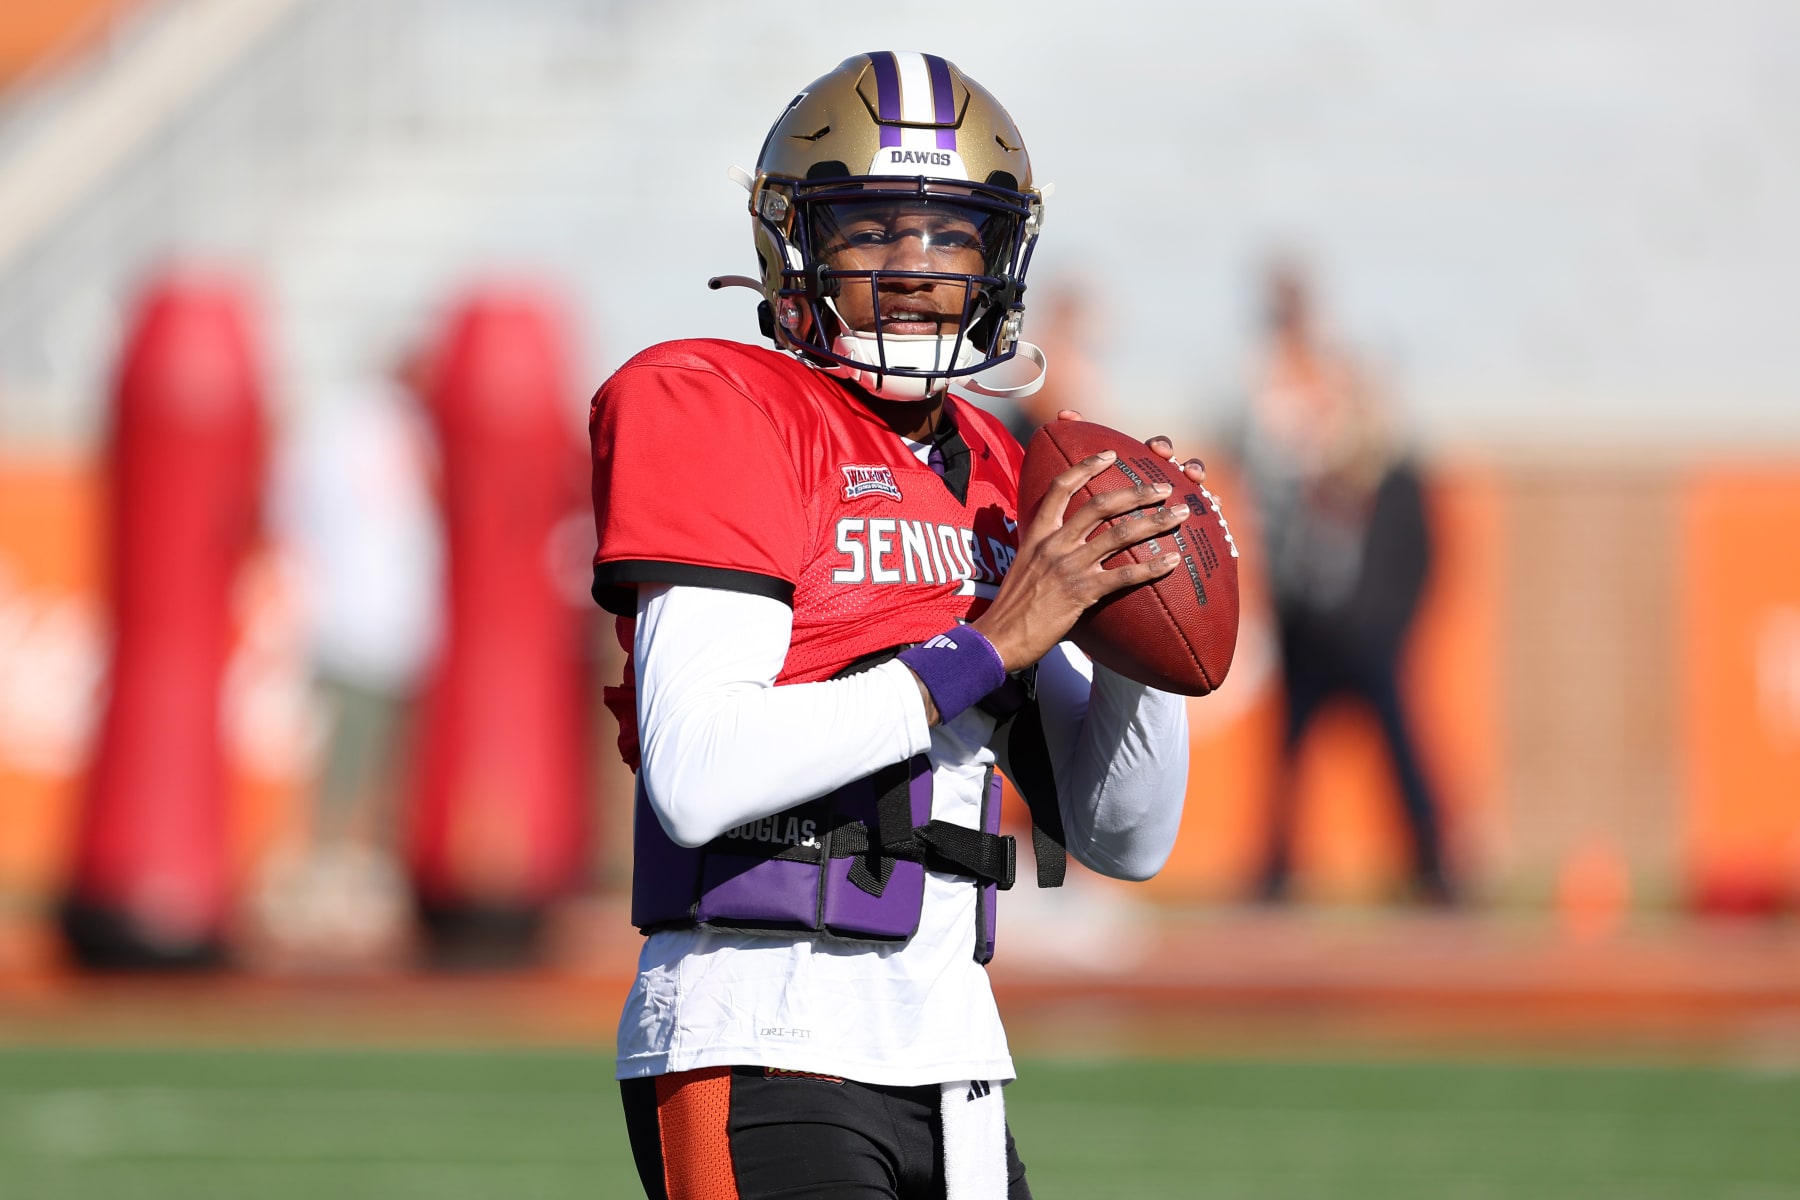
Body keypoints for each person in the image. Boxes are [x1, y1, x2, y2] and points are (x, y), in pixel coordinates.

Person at [588, 52, 1205, 1200]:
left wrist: (1137, 625)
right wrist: (989, 645)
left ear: (1001, 261)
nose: (918, 271)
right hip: (760, 1031)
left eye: (953, 236)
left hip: (954, 1056)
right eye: (873, 230)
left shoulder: (995, 473)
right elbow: (696, 771)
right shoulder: (725, 412)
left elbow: (1127, 838)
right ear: (799, 248)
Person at [1241, 260, 1453, 906]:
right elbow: (1293, 551)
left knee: (1406, 762)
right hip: (1313, 643)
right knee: (1286, 766)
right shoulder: (1316, 479)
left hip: (1373, 647)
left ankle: (1433, 868)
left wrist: (1386, 628)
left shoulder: (1397, 479)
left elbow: (1421, 561)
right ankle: (1275, 873)